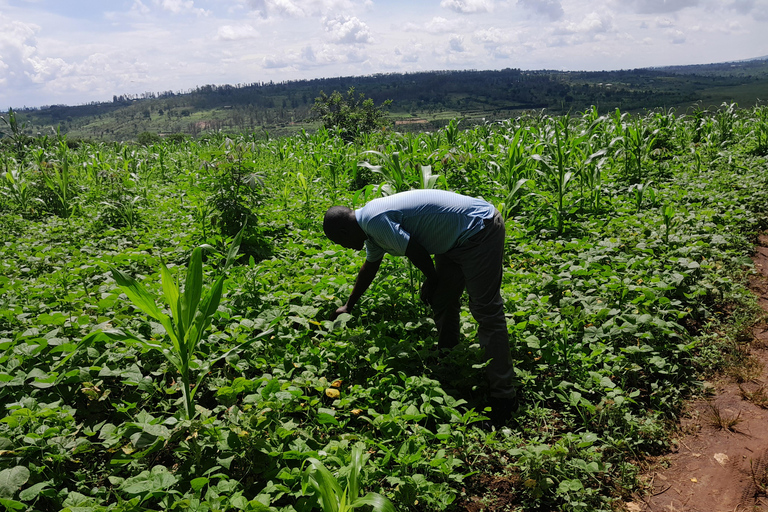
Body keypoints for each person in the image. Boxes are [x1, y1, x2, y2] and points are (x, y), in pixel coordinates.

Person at [323, 189, 517, 424]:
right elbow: (369, 267)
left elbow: (414, 249)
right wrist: (348, 306)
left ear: (345, 232)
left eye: (339, 242)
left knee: (486, 311)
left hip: (479, 229)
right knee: (443, 299)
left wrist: (432, 279)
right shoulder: (368, 227)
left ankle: (504, 397)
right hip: (454, 238)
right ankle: (449, 358)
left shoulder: (374, 221)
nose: (343, 247)